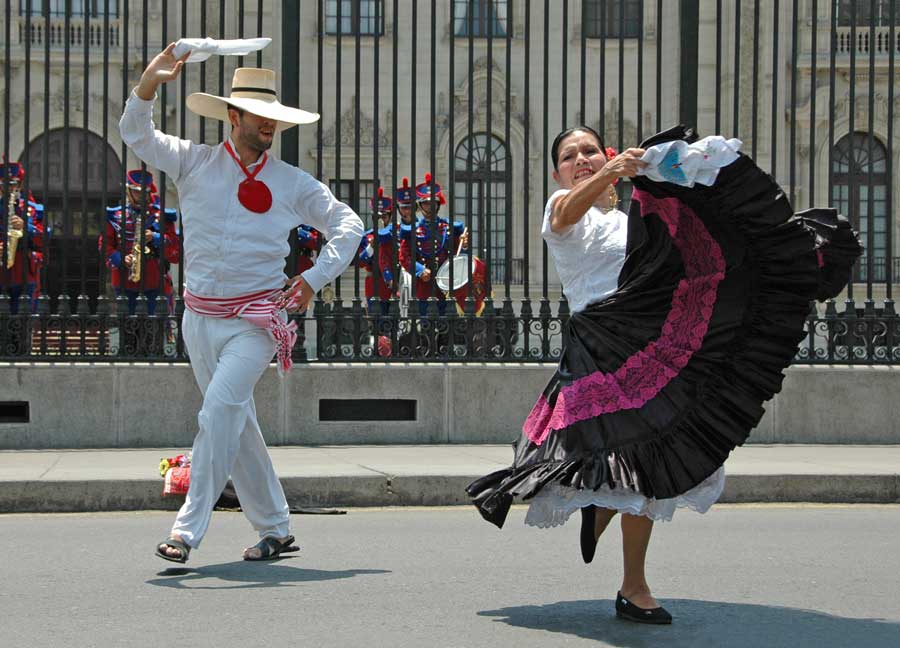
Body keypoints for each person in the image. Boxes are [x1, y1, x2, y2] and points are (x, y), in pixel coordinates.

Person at [466, 125, 861, 624]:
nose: (581, 159)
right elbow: (566, 215)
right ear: (558, 171)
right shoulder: (562, 209)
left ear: (606, 153)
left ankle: (632, 581)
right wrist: (610, 172)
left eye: (590, 151)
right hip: (600, 350)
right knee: (622, 457)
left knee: (652, 459)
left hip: (651, 343)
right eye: (570, 156)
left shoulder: (632, 219)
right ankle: (604, 514)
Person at [120, 44, 363, 563]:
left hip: (257, 321)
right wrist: (146, 87)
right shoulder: (194, 162)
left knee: (217, 413)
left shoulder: (291, 181)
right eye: (260, 116)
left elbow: (348, 224)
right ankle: (276, 526)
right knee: (235, 421)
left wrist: (315, 277)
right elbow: (136, 134)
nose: (269, 125)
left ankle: (186, 532)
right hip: (198, 319)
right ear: (233, 116)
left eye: (275, 117)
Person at [103, 169, 180, 316]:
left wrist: (157, 237)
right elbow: (105, 246)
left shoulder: (162, 216)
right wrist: (120, 258)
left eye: (144, 192)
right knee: (128, 332)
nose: (141, 196)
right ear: (128, 190)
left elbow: (176, 252)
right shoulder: (116, 216)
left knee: (154, 331)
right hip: (125, 282)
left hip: (155, 281)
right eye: (136, 191)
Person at [398, 173, 469, 316]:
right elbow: (404, 257)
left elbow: (460, 255)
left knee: (447, 329)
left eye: (432, 203)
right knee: (424, 327)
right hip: (424, 285)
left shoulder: (449, 228)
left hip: (447, 285)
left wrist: (465, 244)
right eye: (425, 204)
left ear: (437, 204)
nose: (429, 207)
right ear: (420, 205)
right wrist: (419, 270)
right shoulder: (412, 230)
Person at [0, 161, 45, 316]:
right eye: (7, 184)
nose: (12, 188)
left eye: (15, 184)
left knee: (23, 323)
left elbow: (43, 238)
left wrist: (26, 227)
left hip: (24, 273)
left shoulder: (31, 209)